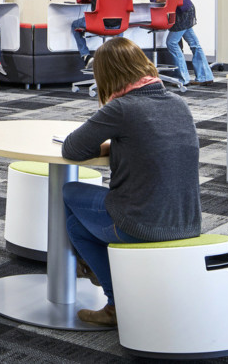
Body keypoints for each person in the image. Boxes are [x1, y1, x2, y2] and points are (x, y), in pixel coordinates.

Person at [61, 37, 202, 328]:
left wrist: (104, 146)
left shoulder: (122, 108)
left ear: (108, 75)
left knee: (69, 191)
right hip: (187, 222)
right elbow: (154, 145)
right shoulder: (178, 102)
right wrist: (121, 145)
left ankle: (113, 301)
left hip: (144, 224)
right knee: (77, 225)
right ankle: (104, 275)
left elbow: (72, 149)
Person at [138, 0, 210, 84]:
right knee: (194, 44)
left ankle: (184, 78)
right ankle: (205, 77)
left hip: (183, 10)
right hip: (176, 10)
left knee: (172, 43)